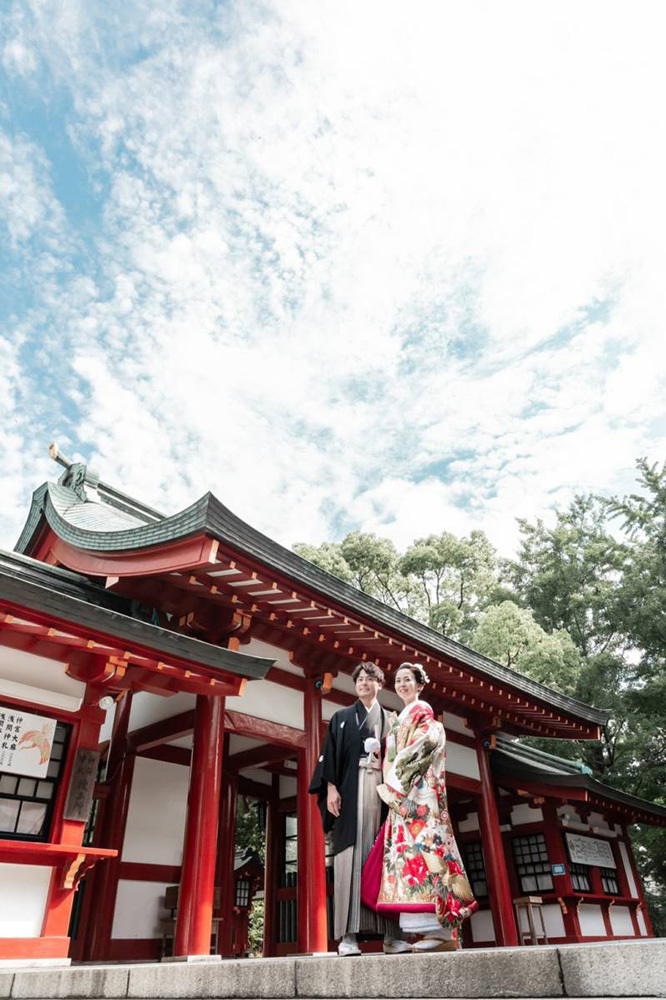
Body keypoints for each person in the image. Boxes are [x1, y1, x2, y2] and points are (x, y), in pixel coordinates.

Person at [374, 662, 476, 952]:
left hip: (417, 797)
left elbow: (424, 745)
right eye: (399, 680)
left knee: (428, 853)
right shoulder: (403, 716)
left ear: (420, 685)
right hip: (403, 798)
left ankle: (443, 929)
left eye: (408, 680)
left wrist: (396, 781)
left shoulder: (423, 711)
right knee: (410, 858)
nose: (403, 685)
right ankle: (428, 931)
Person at [309, 663, 409, 956]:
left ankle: (392, 936)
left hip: (382, 798)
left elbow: (402, 762)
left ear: (380, 684)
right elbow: (329, 758)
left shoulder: (392, 721)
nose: (364, 683)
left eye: (370, 679)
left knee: (385, 861)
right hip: (349, 798)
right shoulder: (341, 718)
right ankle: (348, 938)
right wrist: (330, 789)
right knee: (348, 862)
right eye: (360, 680)